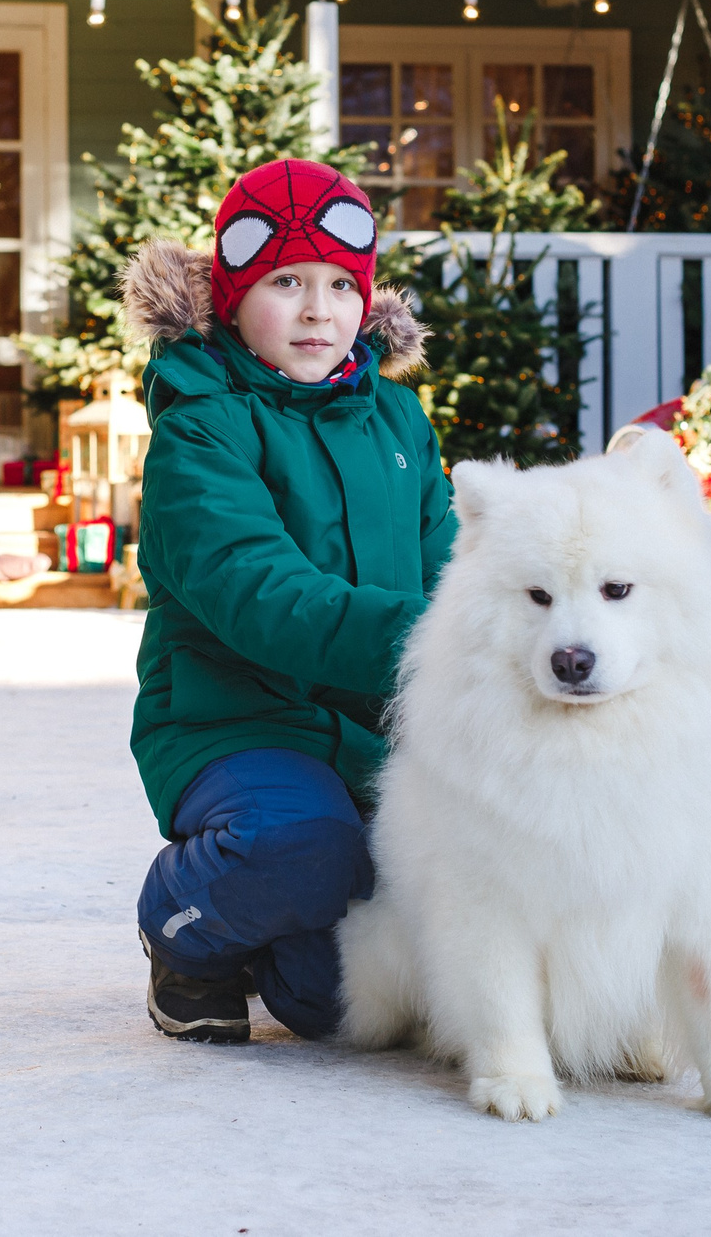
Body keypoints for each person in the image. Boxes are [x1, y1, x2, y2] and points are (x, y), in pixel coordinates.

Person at [116, 158, 456, 1043]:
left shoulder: (398, 424)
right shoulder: (202, 427)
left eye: (343, 284)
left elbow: (454, 568)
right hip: (236, 725)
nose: (319, 310)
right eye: (287, 282)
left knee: (339, 1002)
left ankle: (280, 944)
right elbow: (261, 594)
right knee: (300, 840)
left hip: (375, 734)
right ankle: (184, 932)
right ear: (231, 298)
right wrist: (446, 642)